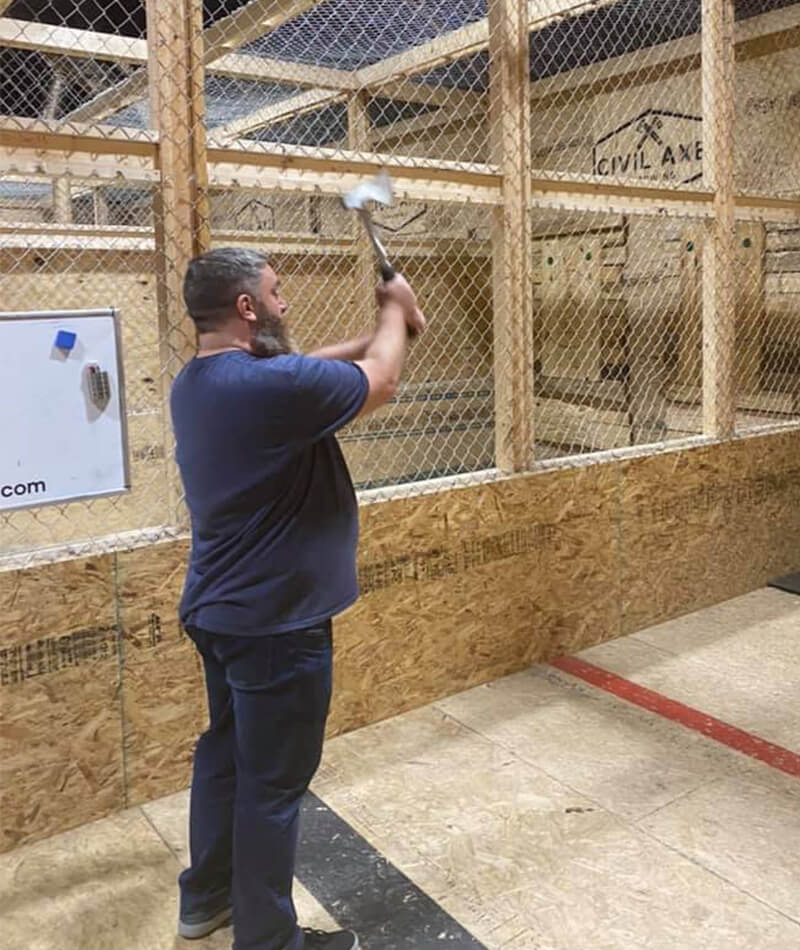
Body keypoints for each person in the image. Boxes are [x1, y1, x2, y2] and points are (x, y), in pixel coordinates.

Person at [169, 247, 426, 950]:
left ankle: (207, 901)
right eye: (276, 295)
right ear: (247, 308)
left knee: (225, 754)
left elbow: (308, 364)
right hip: (277, 624)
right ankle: (268, 942)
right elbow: (380, 380)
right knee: (273, 786)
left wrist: (386, 323)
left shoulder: (201, 382)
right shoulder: (268, 390)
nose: (286, 306)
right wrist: (395, 314)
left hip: (222, 613)